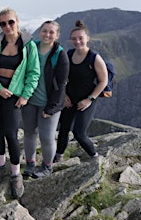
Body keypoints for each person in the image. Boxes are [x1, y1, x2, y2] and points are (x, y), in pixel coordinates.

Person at [0, 7, 40, 199]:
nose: (7, 26)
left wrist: (25, 95)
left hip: (14, 96)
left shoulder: (28, 45)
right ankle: (0, 166)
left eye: (10, 22)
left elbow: (33, 73)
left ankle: (15, 174)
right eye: (3, 23)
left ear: (17, 21)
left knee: (11, 134)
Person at [21, 20, 69, 179]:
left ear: (57, 35)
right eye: (44, 31)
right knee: (28, 133)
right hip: (29, 100)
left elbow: (61, 84)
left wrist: (51, 108)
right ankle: (30, 164)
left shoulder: (59, 54)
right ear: (39, 31)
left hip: (50, 104)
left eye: (51, 32)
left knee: (47, 137)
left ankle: (47, 166)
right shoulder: (30, 47)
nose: (47, 35)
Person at [55, 20, 108, 162]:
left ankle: (95, 158)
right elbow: (63, 77)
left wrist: (89, 99)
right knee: (63, 129)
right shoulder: (69, 54)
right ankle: (58, 157)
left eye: (80, 38)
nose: (77, 41)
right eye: (74, 39)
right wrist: (64, 94)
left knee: (79, 133)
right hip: (70, 99)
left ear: (87, 39)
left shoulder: (94, 58)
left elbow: (104, 81)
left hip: (86, 100)